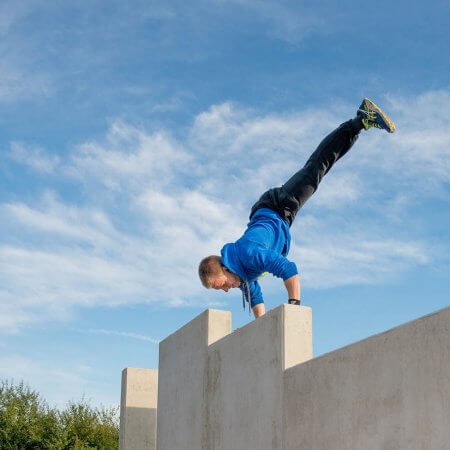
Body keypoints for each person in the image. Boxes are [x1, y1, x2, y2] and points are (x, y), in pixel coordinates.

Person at [198, 98, 396, 319]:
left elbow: (287, 269)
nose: (226, 290)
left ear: (225, 268)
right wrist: (260, 328)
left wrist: (294, 305)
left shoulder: (248, 254)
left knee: (317, 166)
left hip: (278, 205)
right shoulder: (242, 275)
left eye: (221, 285)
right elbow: (255, 297)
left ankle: (360, 119)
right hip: (276, 214)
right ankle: (362, 124)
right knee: (321, 169)